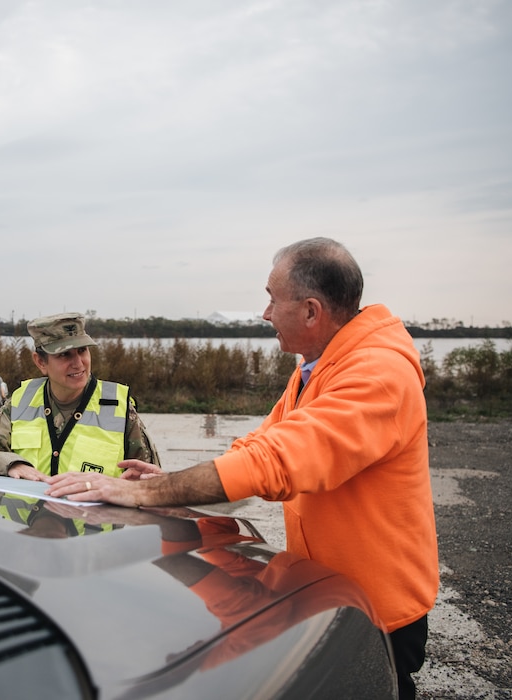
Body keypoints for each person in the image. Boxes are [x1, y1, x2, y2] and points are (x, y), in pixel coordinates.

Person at [46, 238, 439, 700]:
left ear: (311, 311)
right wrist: (168, 483)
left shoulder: (376, 375)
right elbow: (257, 445)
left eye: (273, 298)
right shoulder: (320, 364)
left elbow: (275, 463)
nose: (265, 313)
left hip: (376, 612)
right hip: (325, 594)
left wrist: (141, 495)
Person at [0, 311, 160, 480]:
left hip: (96, 527)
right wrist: (10, 464)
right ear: (40, 362)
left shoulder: (118, 408)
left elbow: (150, 477)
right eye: (64, 354)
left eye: (82, 350)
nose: (78, 363)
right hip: (29, 526)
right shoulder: (21, 403)